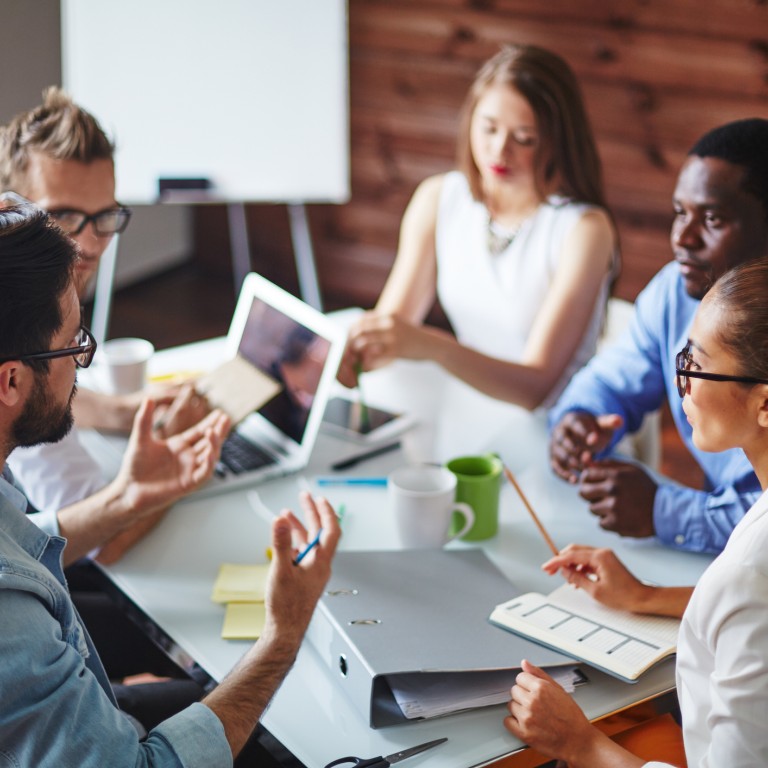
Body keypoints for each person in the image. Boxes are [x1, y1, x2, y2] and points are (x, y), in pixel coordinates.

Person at [0, 204, 342, 766]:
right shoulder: (12, 620)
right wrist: (283, 635)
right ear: (12, 380)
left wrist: (128, 497)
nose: (81, 364)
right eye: (73, 345)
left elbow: (21, 540)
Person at [506, 258, 768, 766]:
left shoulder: (748, 571)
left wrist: (580, 744)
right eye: (683, 353)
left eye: (698, 363)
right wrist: (644, 596)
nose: (681, 382)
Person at [338, 44, 617, 410]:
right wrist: (348, 355)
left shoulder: (585, 230)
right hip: (471, 406)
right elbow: (393, 329)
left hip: (560, 427)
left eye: (524, 139)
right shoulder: (439, 197)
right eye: (488, 129)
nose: (500, 151)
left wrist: (430, 345)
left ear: (556, 141)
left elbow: (535, 389)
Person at [548, 118, 768, 554]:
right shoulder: (674, 291)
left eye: (712, 218)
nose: (682, 238)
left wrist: (664, 511)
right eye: (680, 213)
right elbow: (612, 377)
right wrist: (581, 418)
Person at [0, 86, 209, 516]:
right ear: (11, 208)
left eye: (104, 217)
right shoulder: (20, 329)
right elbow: (92, 543)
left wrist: (119, 412)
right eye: (62, 217)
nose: (88, 245)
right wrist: (174, 458)